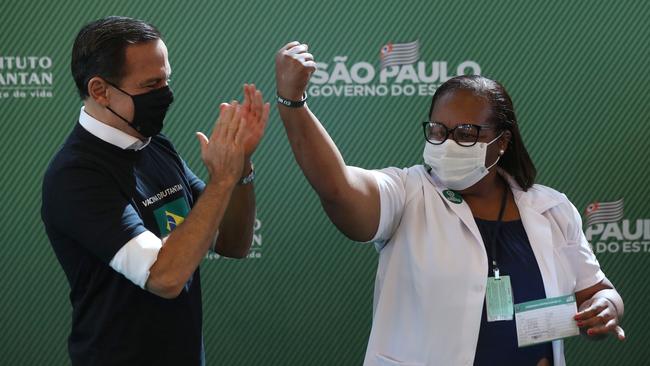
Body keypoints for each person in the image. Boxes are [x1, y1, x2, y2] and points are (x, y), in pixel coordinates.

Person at [275, 42, 625, 366]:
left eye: (466, 134)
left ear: (501, 142)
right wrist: (294, 103)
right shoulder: (407, 192)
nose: (448, 143)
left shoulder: (552, 209)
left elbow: (599, 293)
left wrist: (606, 308)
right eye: (439, 131)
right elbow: (338, 189)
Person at [41, 16, 269, 365]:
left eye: (167, 80)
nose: (166, 94)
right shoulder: (76, 175)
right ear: (100, 90)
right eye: (151, 85)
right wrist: (222, 178)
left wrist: (240, 167)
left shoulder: (155, 145)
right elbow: (164, 277)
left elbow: (232, 243)